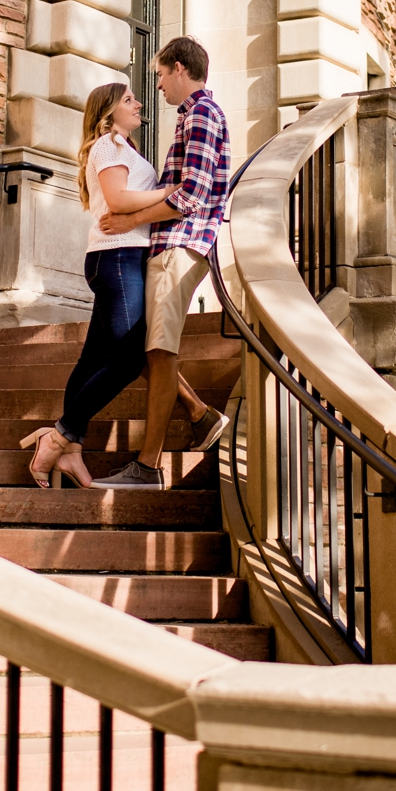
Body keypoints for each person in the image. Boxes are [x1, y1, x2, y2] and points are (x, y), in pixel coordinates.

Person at [89, 37, 233, 488]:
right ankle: (200, 415)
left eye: (158, 75)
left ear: (177, 68)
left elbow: (189, 196)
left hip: (181, 243)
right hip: (169, 244)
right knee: (144, 348)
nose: (156, 86)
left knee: (158, 350)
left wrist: (129, 217)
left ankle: (148, 467)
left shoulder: (204, 115)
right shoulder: (190, 117)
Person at [22, 82, 159, 489]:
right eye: (128, 100)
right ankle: (58, 437)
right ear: (108, 111)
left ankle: (72, 453)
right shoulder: (109, 145)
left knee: (91, 360)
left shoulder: (121, 147)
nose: (138, 103)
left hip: (114, 257)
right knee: (127, 361)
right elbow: (118, 201)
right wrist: (175, 192)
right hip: (119, 258)